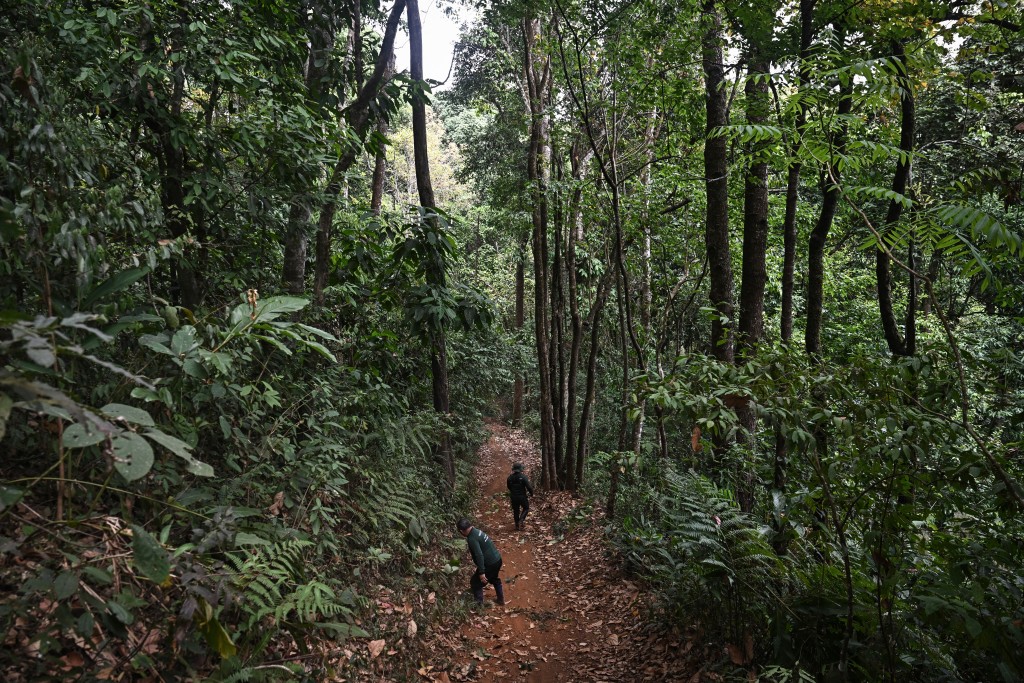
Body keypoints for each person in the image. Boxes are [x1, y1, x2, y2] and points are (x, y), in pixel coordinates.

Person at [456, 518, 504, 606]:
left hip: (490, 564)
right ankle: (500, 600)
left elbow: (479, 555)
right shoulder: (476, 531)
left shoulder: (472, 538)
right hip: (497, 560)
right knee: (493, 578)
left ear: (461, 531)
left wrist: (482, 572)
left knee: (475, 582)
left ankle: (479, 607)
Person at [506, 462, 534, 530]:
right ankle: (521, 520)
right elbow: (529, 487)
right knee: (526, 508)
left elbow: (509, 487)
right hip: (522, 496)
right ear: (520, 469)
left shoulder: (509, 478)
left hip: (513, 496)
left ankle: (517, 525)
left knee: (516, 510)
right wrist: (531, 494)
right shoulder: (523, 477)